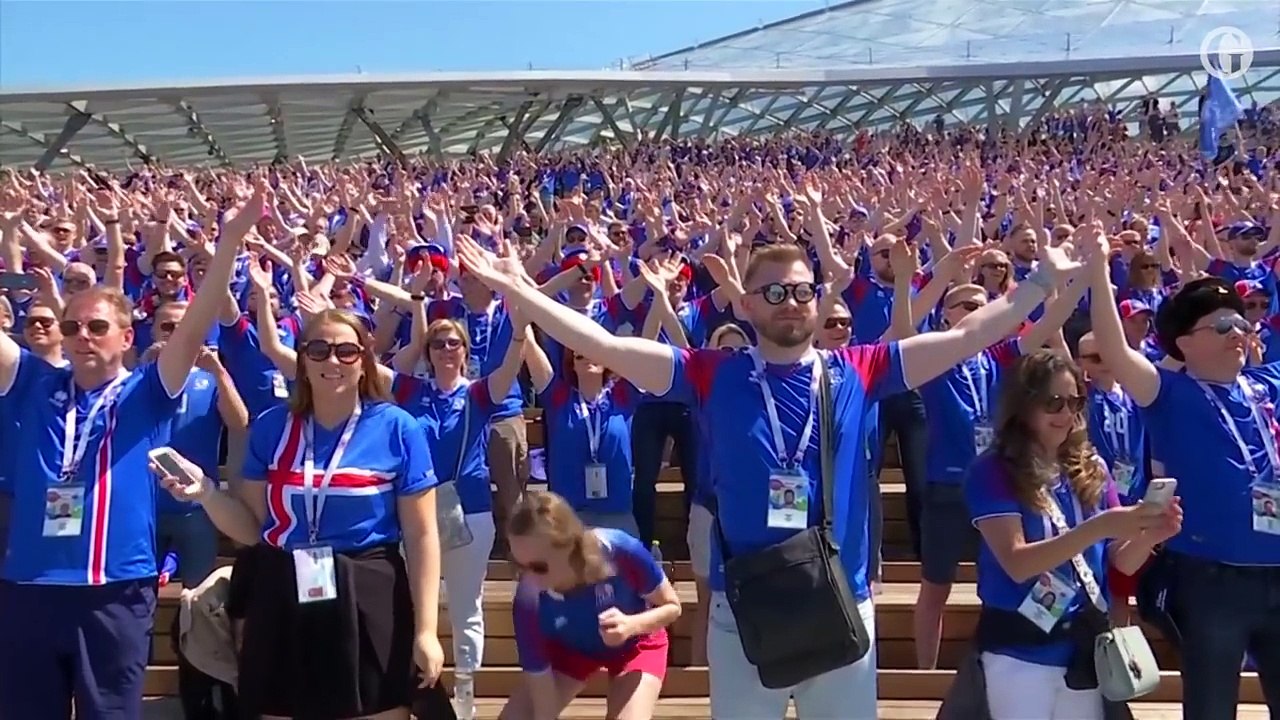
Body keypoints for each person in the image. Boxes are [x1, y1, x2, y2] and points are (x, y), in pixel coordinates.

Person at [455, 233, 1079, 719]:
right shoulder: (712, 372)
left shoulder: (858, 368)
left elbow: (969, 334)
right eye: (775, 293)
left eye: (803, 290)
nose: (792, 303)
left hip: (841, 599)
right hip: (742, 605)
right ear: (748, 303)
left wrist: (1041, 281)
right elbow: (607, 346)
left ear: (817, 296)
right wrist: (522, 291)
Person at [0, 187, 259, 719]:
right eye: (71, 327)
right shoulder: (31, 381)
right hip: (29, 585)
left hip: (114, 589)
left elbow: (195, 324)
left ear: (125, 336)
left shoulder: (146, 391)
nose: (81, 337)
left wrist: (229, 241)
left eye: (97, 327)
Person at [154, 308, 445, 720]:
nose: (332, 361)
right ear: (302, 360)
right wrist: (205, 493)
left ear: (364, 362)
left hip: (369, 590)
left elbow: (422, 536)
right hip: (282, 588)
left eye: (346, 351)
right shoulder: (273, 427)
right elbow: (252, 530)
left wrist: (427, 631)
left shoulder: (398, 428)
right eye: (319, 350)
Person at [1085, 225, 1280, 720]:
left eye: (1242, 324)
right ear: (1184, 343)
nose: (1238, 333)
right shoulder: (1169, 393)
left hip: (1277, 574)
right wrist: (1098, 268)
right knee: (1212, 709)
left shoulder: (1264, 386)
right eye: (1221, 327)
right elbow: (1112, 347)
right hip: (1212, 581)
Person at [963, 350, 1181, 719]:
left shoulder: (1091, 466)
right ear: (1024, 404)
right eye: (1053, 402)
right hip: (1021, 647)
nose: (1066, 414)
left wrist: (1150, 535)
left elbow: (1118, 560)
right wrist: (1099, 526)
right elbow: (1017, 562)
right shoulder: (993, 470)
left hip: (1082, 646)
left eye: (1075, 401)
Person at [501, 491, 681, 720]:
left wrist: (630, 625)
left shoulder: (619, 550)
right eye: (518, 565)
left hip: (637, 643)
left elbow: (673, 606)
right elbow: (542, 702)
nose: (528, 578)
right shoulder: (528, 599)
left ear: (568, 546)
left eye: (538, 566)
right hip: (570, 650)